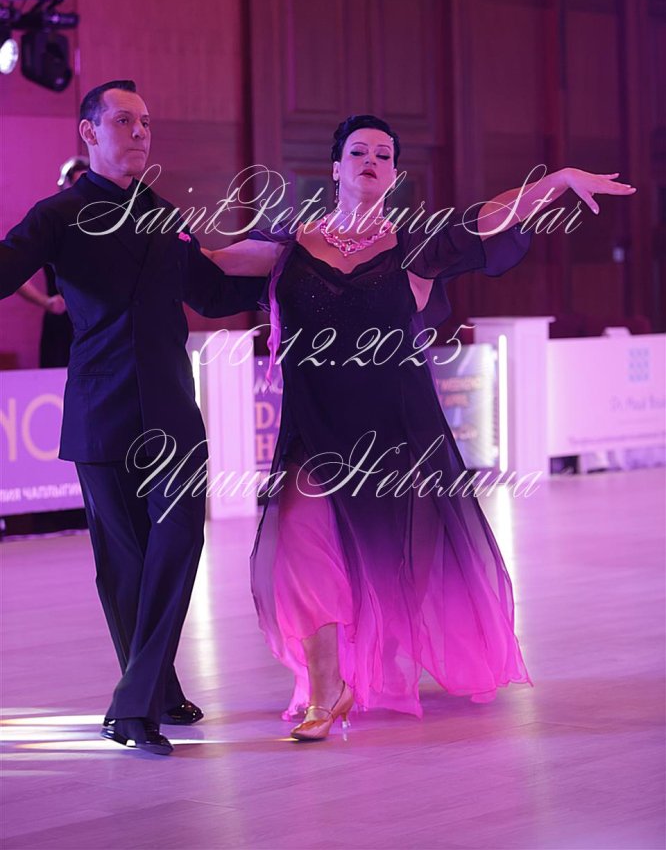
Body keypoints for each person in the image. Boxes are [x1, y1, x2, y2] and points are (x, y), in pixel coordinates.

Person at [207, 114, 635, 741]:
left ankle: (367, 669)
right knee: (298, 546)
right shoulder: (290, 245)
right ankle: (326, 692)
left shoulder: (413, 246)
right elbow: (213, 262)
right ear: (335, 167)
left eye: (383, 154)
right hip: (314, 428)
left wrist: (557, 180)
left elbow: (489, 218)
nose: (371, 161)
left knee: (389, 566)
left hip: (396, 432)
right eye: (359, 151)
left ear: (395, 174)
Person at [0, 80, 266, 755]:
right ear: (89, 132)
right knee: (124, 564)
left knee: (178, 543)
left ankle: (134, 702)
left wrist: (293, 267)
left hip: (172, 409)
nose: (141, 131)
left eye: (146, 121)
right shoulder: (58, 214)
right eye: (124, 120)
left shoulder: (166, 216)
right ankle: (154, 694)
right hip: (103, 411)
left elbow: (211, 293)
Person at [16, 157, 89, 367]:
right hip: (61, 325)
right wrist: (45, 302)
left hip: (96, 324)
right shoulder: (50, 224)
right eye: (75, 184)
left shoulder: (104, 226)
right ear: (63, 186)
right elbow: (15, 270)